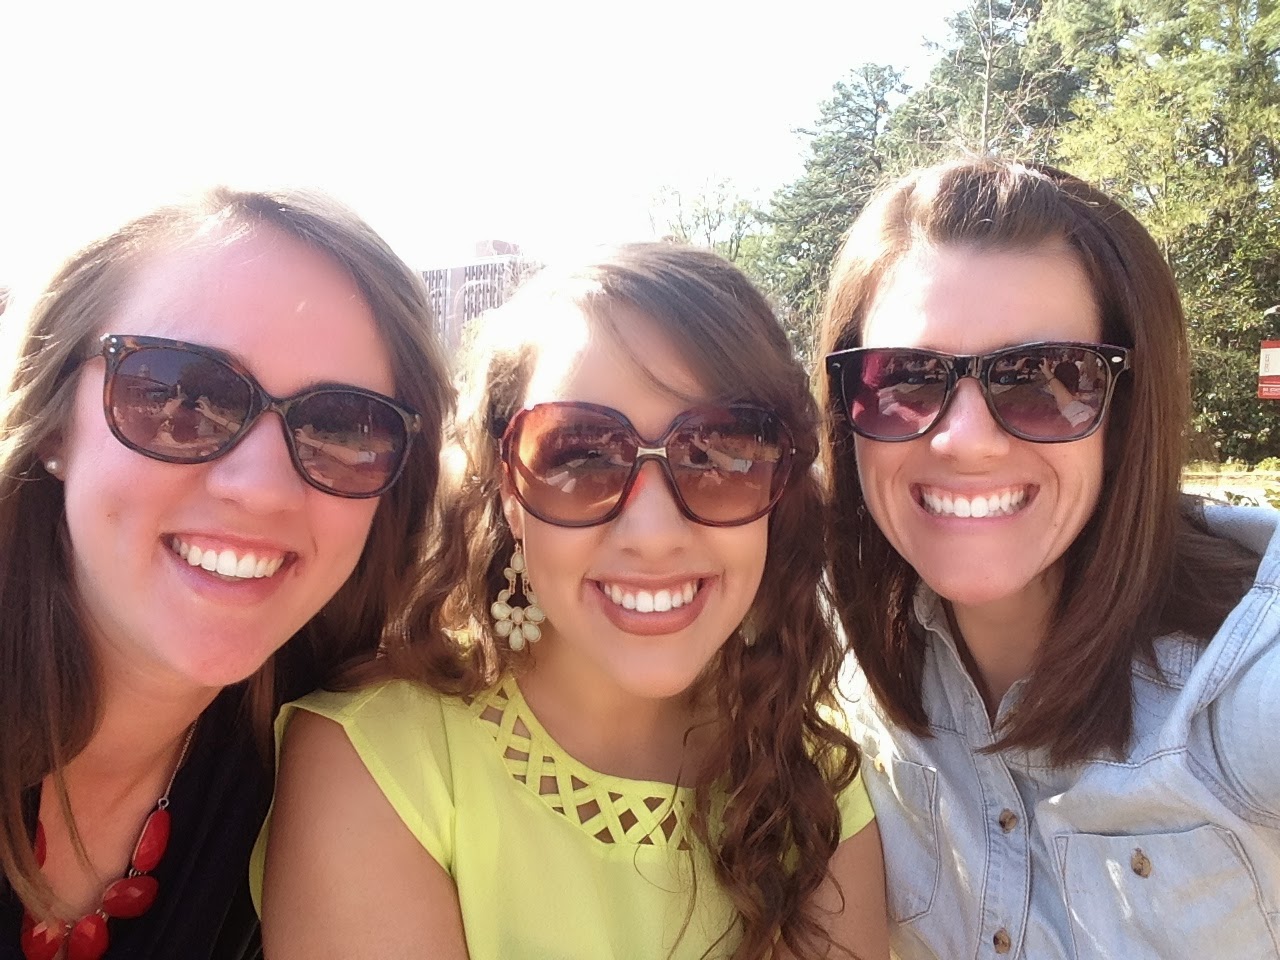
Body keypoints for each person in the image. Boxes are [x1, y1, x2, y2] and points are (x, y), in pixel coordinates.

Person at [256, 244, 890, 960]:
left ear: (781, 487)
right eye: (581, 457)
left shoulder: (813, 765)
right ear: (508, 490)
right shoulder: (379, 765)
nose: (652, 534)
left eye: (716, 453)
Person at [819, 157, 1280, 959]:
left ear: (1126, 410)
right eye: (906, 379)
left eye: (1042, 378)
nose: (963, 441)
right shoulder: (833, 649)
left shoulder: (1243, 680)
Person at [0, 187, 452, 960]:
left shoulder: (339, 758)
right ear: (54, 427)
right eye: (182, 396)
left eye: (342, 426)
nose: (262, 487)